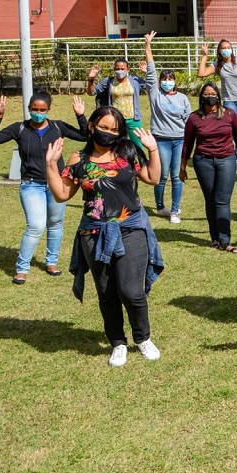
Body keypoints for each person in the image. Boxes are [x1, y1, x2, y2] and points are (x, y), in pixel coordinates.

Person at [44, 107, 164, 367]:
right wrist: (51, 164)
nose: (108, 133)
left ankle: (143, 338)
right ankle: (118, 342)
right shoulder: (79, 159)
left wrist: (152, 148)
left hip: (131, 227)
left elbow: (153, 178)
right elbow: (62, 195)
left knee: (131, 291)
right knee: (106, 291)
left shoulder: (128, 152)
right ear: (91, 126)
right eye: (104, 127)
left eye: (114, 129)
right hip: (93, 232)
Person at [0, 92, 87, 284]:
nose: (38, 113)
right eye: (35, 109)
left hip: (57, 183)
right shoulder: (20, 128)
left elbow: (85, 136)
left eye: (42, 110)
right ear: (29, 108)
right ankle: (22, 269)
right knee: (36, 226)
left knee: (55, 223)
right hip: (32, 185)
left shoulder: (58, 127)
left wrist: (80, 116)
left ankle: (52, 262)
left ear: (48, 110)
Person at [180, 82, 237, 253]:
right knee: (210, 200)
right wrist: (182, 167)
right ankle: (215, 239)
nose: (210, 96)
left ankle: (226, 241)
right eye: (206, 93)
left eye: (213, 93)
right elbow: (187, 144)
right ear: (201, 97)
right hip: (203, 161)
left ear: (218, 96)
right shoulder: (194, 118)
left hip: (226, 159)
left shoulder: (230, 114)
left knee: (222, 200)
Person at [144, 31, 192, 223]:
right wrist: (148, 45)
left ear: (175, 81)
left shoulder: (183, 98)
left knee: (176, 176)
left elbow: (189, 121)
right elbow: (150, 69)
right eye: (164, 78)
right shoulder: (155, 94)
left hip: (179, 139)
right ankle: (160, 206)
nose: (166, 81)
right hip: (161, 139)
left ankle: (175, 210)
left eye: (170, 78)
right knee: (162, 175)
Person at [197, 39, 237, 166]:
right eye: (223, 48)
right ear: (219, 50)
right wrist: (204, 56)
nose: (226, 49)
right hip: (229, 101)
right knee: (230, 128)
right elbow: (201, 74)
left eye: (228, 47)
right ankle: (229, 153)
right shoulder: (218, 64)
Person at [86, 57, 151, 149]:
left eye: (122, 69)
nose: (120, 71)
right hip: (116, 119)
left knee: (138, 145)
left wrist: (148, 73)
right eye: (117, 69)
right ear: (114, 70)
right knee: (116, 145)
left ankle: (139, 162)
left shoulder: (135, 80)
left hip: (133, 119)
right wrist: (91, 79)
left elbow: (152, 87)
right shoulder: (109, 81)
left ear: (128, 69)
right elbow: (91, 92)